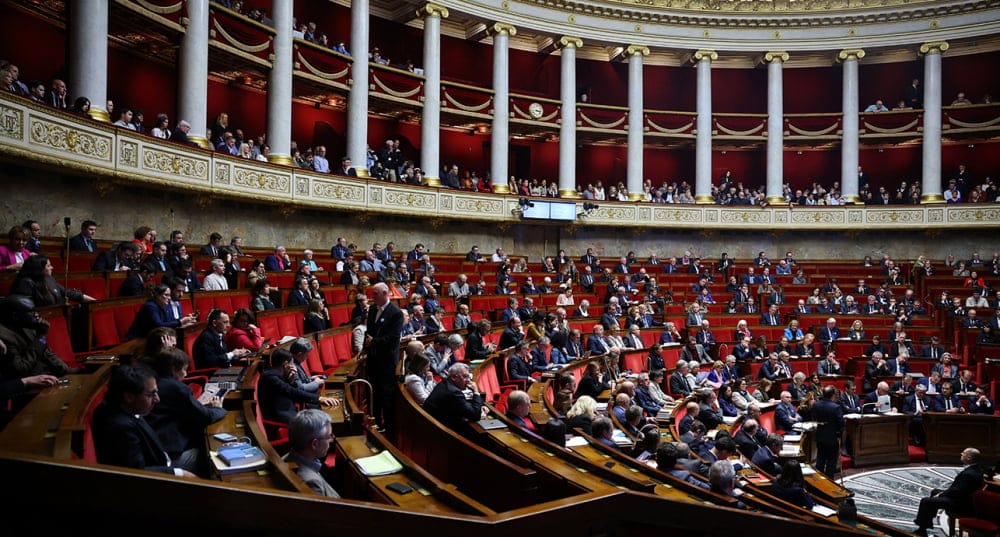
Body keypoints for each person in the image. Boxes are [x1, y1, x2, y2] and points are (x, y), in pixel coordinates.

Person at [92, 364, 196, 476]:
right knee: (203, 455)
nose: (157, 399)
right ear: (129, 397)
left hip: (160, 457)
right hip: (160, 475)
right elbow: (137, 472)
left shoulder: (125, 407)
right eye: (151, 394)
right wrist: (180, 473)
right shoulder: (120, 427)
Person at [146, 348, 226, 473]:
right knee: (214, 457)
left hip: (155, 449)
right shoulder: (175, 388)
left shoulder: (152, 380)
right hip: (171, 456)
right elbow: (206, 417)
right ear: (173, 369)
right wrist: (218, 408)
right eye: (184, 369)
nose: (186, 374)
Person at [912, 447, 986, 536]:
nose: (961, 454)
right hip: (962, 497)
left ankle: (922, 529)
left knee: (926, 501)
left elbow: (957, 492)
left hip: (960, 503)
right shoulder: (978, 469)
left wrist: (941, 495)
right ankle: (928, 520)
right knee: (934, 491)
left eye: (964, 453)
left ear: (969, 458)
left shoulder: (968, 474)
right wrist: (941, 493)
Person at [0, 295, 74, 379]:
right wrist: (40, 336)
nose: (36, 314)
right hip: (30, 383)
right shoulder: (4, 336)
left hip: (48, 375)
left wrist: (68, 371)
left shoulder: (27, 326)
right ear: (15, 316)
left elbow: (46, 352)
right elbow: (22, 369)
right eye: (31, 312)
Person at [258, 349, 338, 424]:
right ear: (286, 364)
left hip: (288, 408)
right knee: (320, 421)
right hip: (281, 413)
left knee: (320, 412)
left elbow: (289, 390)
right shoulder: (270, 377)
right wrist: (318, 398)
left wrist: (291, 381)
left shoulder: (275, 374)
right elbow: (291, 391)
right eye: (292, 363)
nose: (293, 366)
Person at [365, 282, 404, 432]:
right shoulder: (373, 309)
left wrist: (374, 341)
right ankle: (375, 422)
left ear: (385, 293)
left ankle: (388, 426)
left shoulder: (396, 313)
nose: (372, 297)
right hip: (373, 358)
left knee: (385, 394)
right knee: (373, 393)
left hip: (387, 360)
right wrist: (366, 347)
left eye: (375, 294)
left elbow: (393, 338)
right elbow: (370, 332)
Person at [422, 363, 486, 438]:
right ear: (453, 377)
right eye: (465, 377)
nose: (468, 381)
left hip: (432, 425)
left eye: (469, 377)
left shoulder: (444, 383)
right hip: (440, 433)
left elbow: (461, 406)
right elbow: (475, 415)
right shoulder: (454, 392)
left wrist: (477, 407)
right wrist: (476, 391)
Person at [285, 409, 339, 497]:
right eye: (329, 436)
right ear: (314, 444)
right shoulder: (311, 483)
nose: (332, 440)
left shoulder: (287, 457)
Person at [812, 385, 844, 477]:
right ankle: (829, 481)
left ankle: (819, 480)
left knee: (820, 459)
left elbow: (814, 418)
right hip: (832, 438)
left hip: (820, 436)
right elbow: (841, 423)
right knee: (831, 461)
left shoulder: (816, 404)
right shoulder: (835, 407)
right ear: (833, 395)